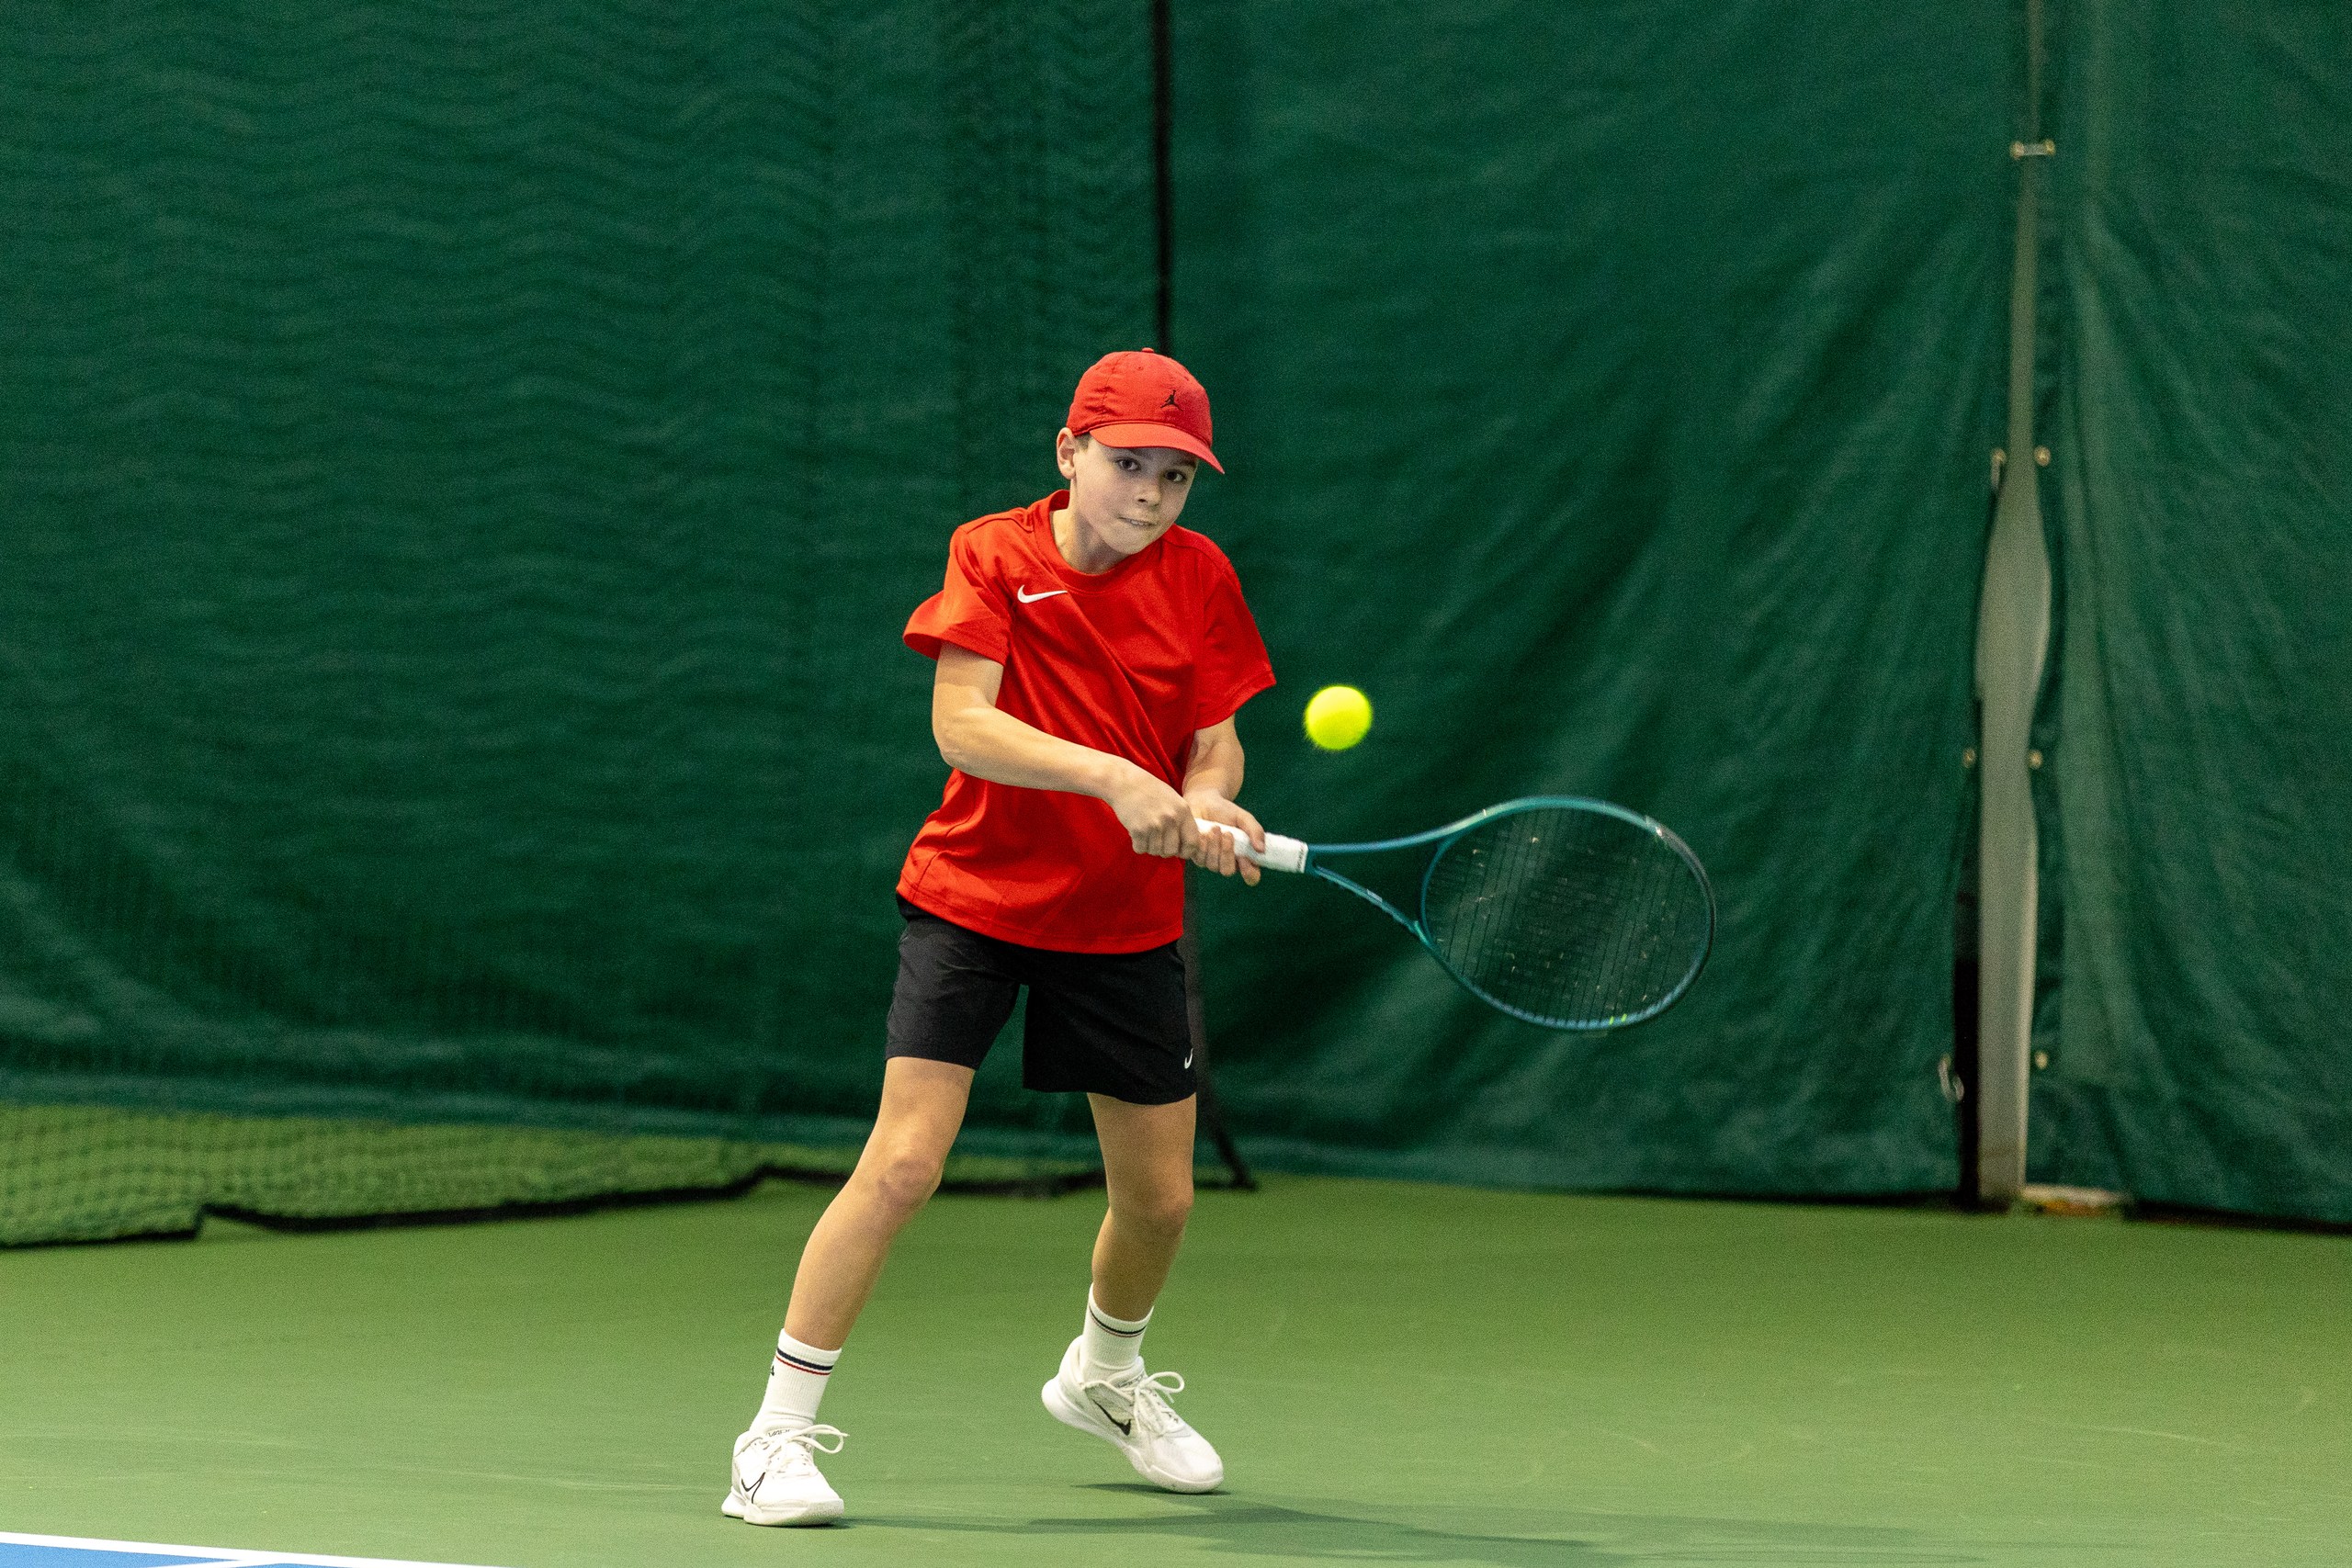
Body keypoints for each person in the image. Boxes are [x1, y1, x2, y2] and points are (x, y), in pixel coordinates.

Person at [724, 349, 1275, 1527]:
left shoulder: (1201, 575)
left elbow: (1215, 739)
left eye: (1176, 475)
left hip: (1123, 922)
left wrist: (1208, 798)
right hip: (974, 900)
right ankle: (772, 1439)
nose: (1150, 493)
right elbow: (962, 727)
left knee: (1161, 1202)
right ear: (1069, 452)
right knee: (904, 1165)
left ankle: (1104, 1377)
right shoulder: (994, 553)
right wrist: (1114, 778)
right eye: (1128, 464)